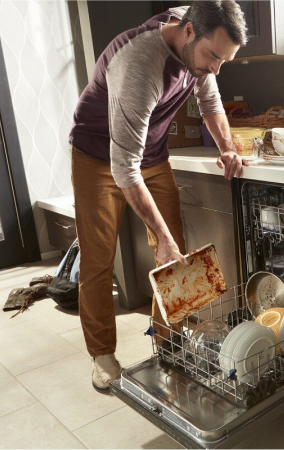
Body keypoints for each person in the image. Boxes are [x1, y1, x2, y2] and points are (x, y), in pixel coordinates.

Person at [68, 1, 248, 393]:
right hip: (99, 156)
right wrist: (159, 236)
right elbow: (123, 168)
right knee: (99, 260)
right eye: (213, 57)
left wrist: (227, 147)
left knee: (174, 252)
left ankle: (169, 342)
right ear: (187, 33)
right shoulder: (140, 63)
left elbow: (210, 102)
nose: (216, 68)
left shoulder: (200, 29)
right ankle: (102, 355)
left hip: (148, 154)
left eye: (225, 61)